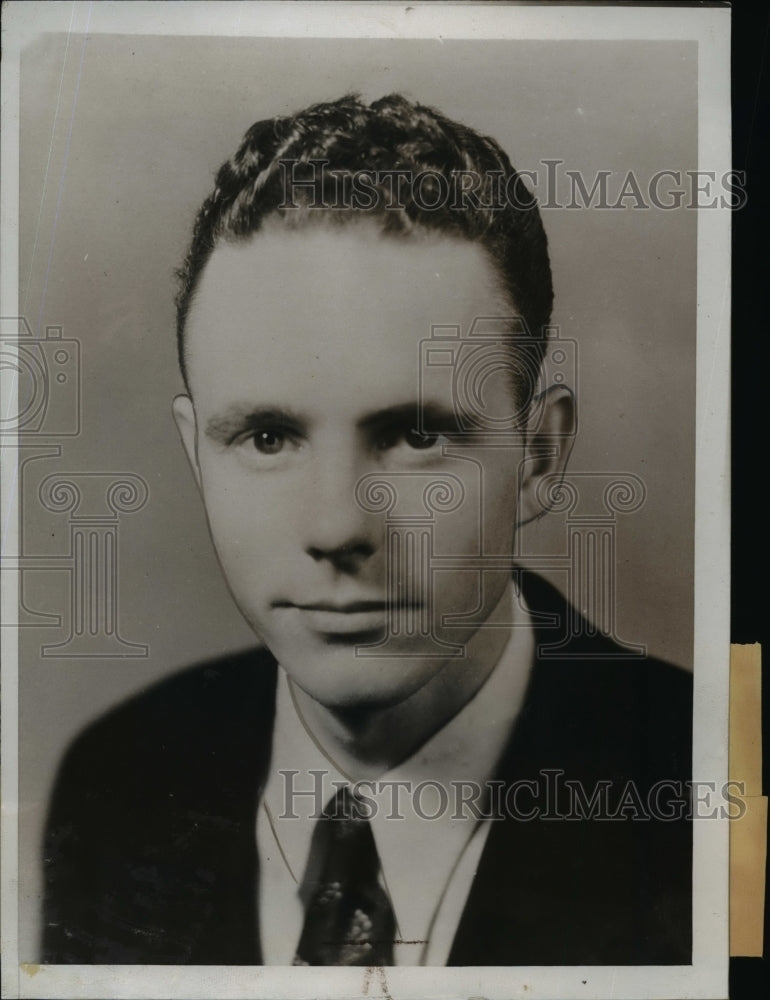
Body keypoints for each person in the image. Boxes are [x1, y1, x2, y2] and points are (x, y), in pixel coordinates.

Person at [41, 93, 691, 966]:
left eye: (417, 435)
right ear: (197, 455)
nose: (337, 525)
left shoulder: (710, 792)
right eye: (267, 437)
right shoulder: (114, 782)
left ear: (537, 455)